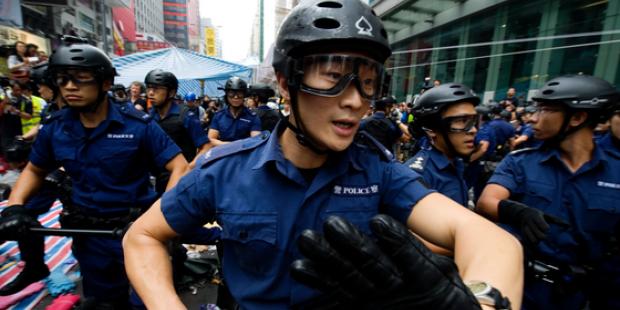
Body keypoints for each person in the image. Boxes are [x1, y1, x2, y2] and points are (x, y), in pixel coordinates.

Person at [123, 1, 523, 309]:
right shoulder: (223, 171)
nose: (354, 101)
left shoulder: (378, 171)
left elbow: (492, 241)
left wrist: (480, 302)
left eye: (367, 84)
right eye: (333, 78)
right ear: (285, 82)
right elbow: (143, 235)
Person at [0, 37, 188, 307]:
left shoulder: (137, 125)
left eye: (81, 78)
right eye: (62, 79)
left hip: (135, 231)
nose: (70, 87)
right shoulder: (55, 128)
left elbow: (179, 165)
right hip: (87, 234)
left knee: (146, 301)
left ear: (105, 83)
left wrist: (162, 219)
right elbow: (35, 169)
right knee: (103, 301)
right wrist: (14, 207)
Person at [476, 75, 620, 309]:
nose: (533, 118)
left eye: (544, 110)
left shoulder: (616, 170)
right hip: (527, 288)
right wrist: (517, 213)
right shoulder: (521, 162)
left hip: (589, 294)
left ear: (577, 117)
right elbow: (487, 201)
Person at [404, 83, 479, 207]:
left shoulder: (455, 162)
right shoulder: (418, 176)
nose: (473, 130)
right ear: (431, 130)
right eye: (461, 121)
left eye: (474, 121)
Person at [145, 69, 210, 192]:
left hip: (182, 181)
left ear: (171, 92)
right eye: (148, 88)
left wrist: (189, 168)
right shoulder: (149, 116)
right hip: (157, 181)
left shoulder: (186, 116)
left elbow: (206, 147)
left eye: (157, 89)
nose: (151, 93)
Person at [207, 77, 261, 145]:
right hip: (223, 152)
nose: (236, 97)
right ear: (226, 95)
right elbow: (211, 139)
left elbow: (256, 140)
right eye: (231, 93)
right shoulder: (218, 116)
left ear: (244, 95)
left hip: (244, 153)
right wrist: (230, 146)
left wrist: (239, 146)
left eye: (239, 93)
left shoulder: (253, 117)